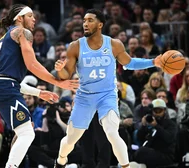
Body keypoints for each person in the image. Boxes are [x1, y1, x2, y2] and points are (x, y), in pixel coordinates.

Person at [54, 9, 162, 168]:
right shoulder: (75, 46)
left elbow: (129, 63)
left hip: (107, 95)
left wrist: (153, 62)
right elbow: (65, 75)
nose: (85, 23)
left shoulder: (114, 44)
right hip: (85, 96)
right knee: (71, 139)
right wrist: (60, 69)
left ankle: (126, 166)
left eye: (90, 20)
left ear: (100, 25)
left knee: (112, 132)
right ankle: (61, 160)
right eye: (84, 20)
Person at [0, 4, 79, 168]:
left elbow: (9, 80)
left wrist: (38, 93)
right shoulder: (23, 32)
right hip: (3, 86)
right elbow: (32, 64)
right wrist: (57, 82)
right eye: (30, 16)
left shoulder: (5, 37)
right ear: (19, 18)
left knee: (22, 131)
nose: (34, 19)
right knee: (27, 133)